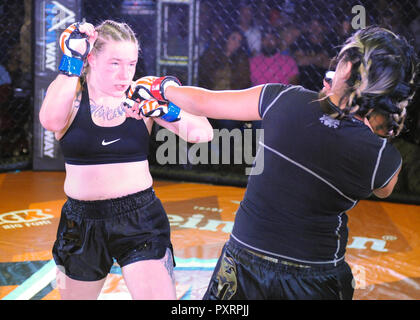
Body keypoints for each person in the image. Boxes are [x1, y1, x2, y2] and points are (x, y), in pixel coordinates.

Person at [133, 26, 418, 299]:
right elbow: (384, 189)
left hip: (246, 260)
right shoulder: (382, 156)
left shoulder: (286, 98)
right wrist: (371, 127)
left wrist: (163, 87)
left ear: (345, 69)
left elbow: (205, 102)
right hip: (314, 275)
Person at [39, 20, 213, 300]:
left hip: (140, 219)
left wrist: (165, 110)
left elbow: (202, 133)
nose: (125, 73)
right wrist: (72, 61)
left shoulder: (140, 96)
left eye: (131, 64)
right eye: (114, 63)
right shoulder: (72, 96)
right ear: (91, 58)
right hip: (81, 222)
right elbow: (50, 120)